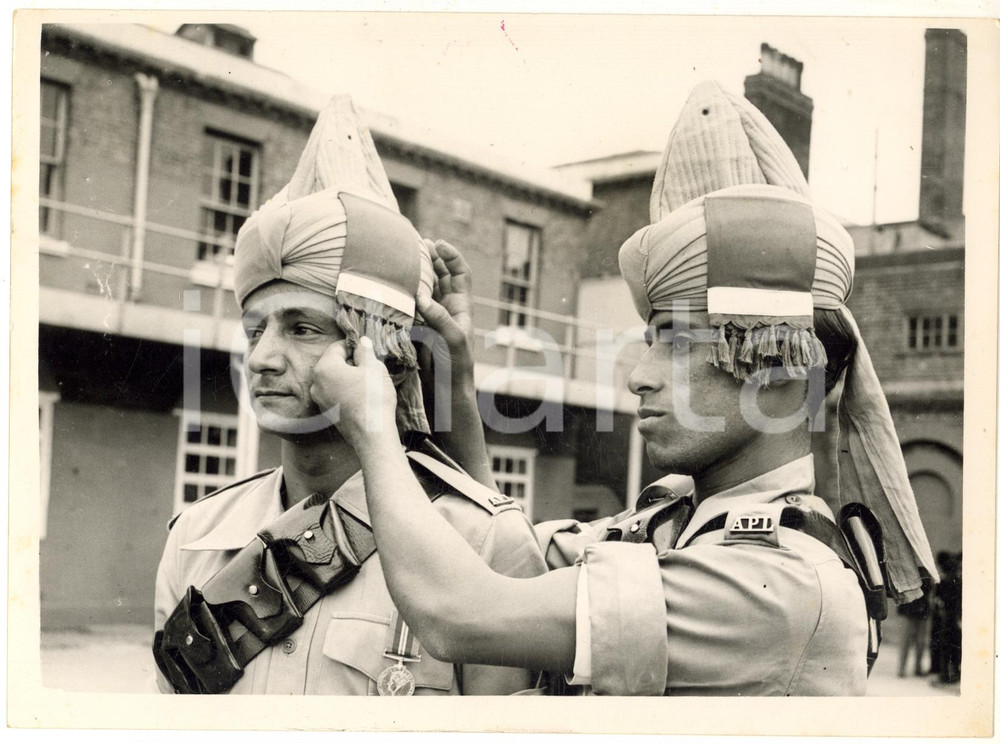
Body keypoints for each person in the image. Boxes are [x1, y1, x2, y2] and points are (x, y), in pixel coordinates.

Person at [310, 81, 939, 696]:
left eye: (678, 341)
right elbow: (506, 555)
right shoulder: (679, 519)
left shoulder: (781, 581)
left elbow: (462, 614)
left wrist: (370, 423)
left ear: (780, 372)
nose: (638, 374)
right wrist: (454, 374)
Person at [151, 96, 546, 695]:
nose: (261, 358)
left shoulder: (486, 542)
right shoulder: (197, 536)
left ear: (378, 346)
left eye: (302, 328)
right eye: (255, 330)